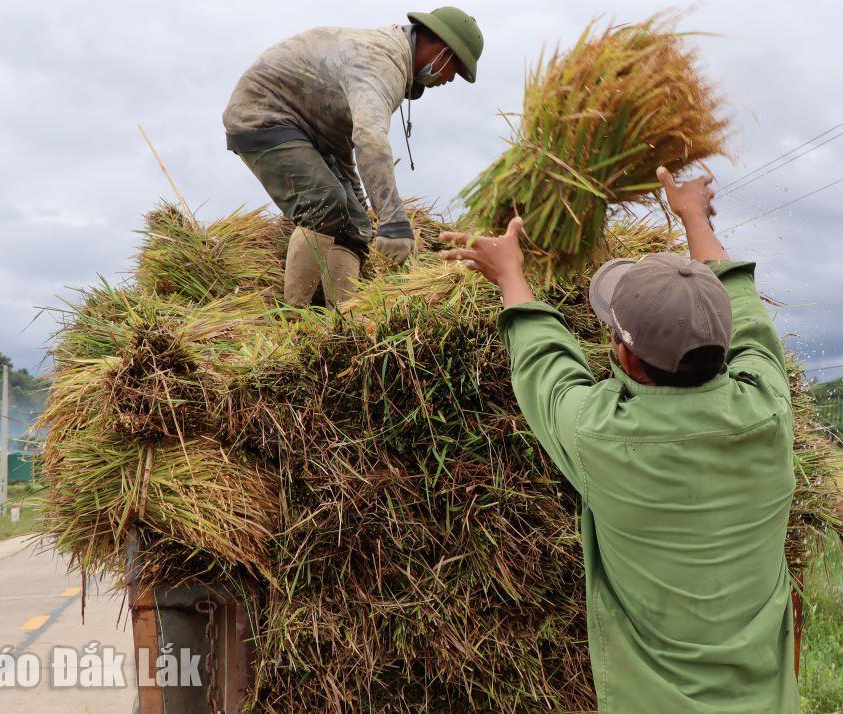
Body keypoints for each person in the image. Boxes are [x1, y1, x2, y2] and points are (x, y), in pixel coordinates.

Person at [440, 167, 798, 712]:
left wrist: (510, 274)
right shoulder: (769, 408)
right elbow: (744, 309)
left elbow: (547, 370)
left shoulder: (602, 436)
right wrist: (694, 216)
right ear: (725, 345)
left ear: (625, 356)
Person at [223, 7, 483, 307]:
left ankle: (342, 324)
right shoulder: (383, 62)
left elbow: (342, 139)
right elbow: (369, 139)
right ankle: (294, 322)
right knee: (323, 202)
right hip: (264, 114)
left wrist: (361, 204)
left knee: (355, 227)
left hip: (311, 132)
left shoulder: (392, 61)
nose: (450, 79)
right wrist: (394, 222)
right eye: (456, 69)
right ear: (443, 51)